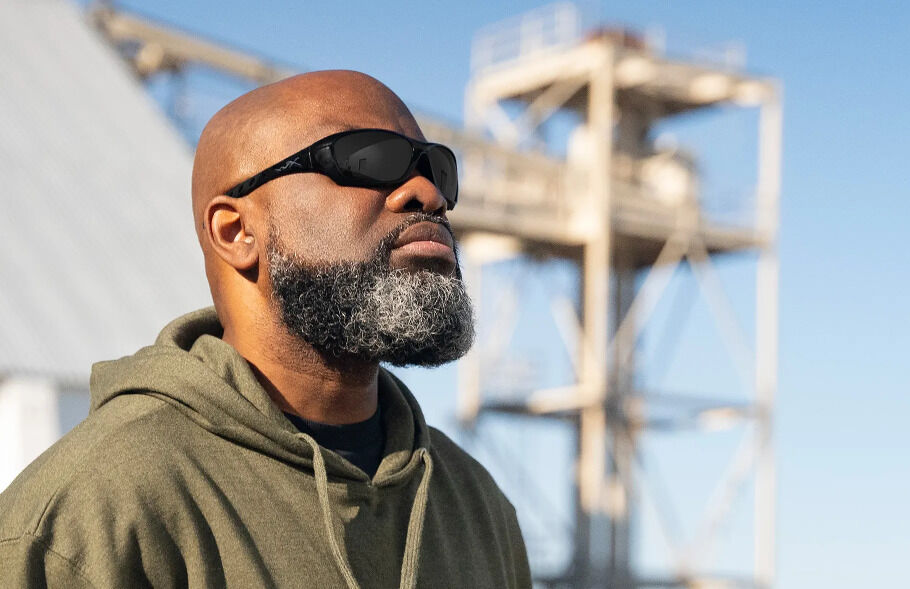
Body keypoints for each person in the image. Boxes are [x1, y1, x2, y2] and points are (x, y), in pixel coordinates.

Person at [0, 70, 531, 588]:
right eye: (369, 159)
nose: (427, 193)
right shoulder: (90, 516)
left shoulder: (477, 506)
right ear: (235, 232)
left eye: (438, 170)